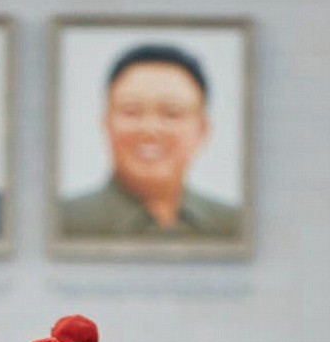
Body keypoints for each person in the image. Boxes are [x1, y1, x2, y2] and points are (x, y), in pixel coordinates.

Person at [59, 44, 241, 238]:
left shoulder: (235, 226)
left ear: (202, 130)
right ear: (107, 123)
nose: (150, 129)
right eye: (132, 111)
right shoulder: (62, 222)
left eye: (171, 113)